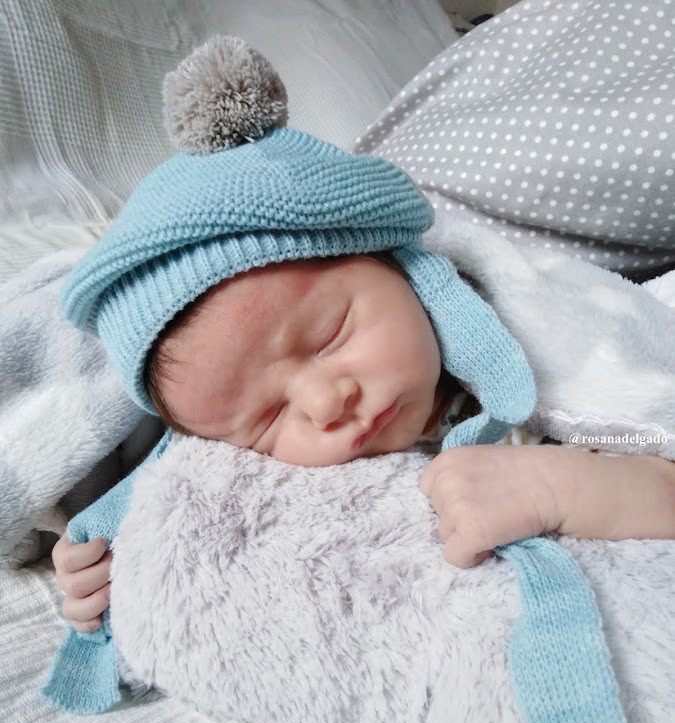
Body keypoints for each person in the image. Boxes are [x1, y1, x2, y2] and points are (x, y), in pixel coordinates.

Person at [52, 36, 675, 635]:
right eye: (266, 420)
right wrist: (109, 558)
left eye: (330, 335)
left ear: (398, 267)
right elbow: (182, 490)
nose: (326, 404)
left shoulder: (522, 334)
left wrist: (566, 487)